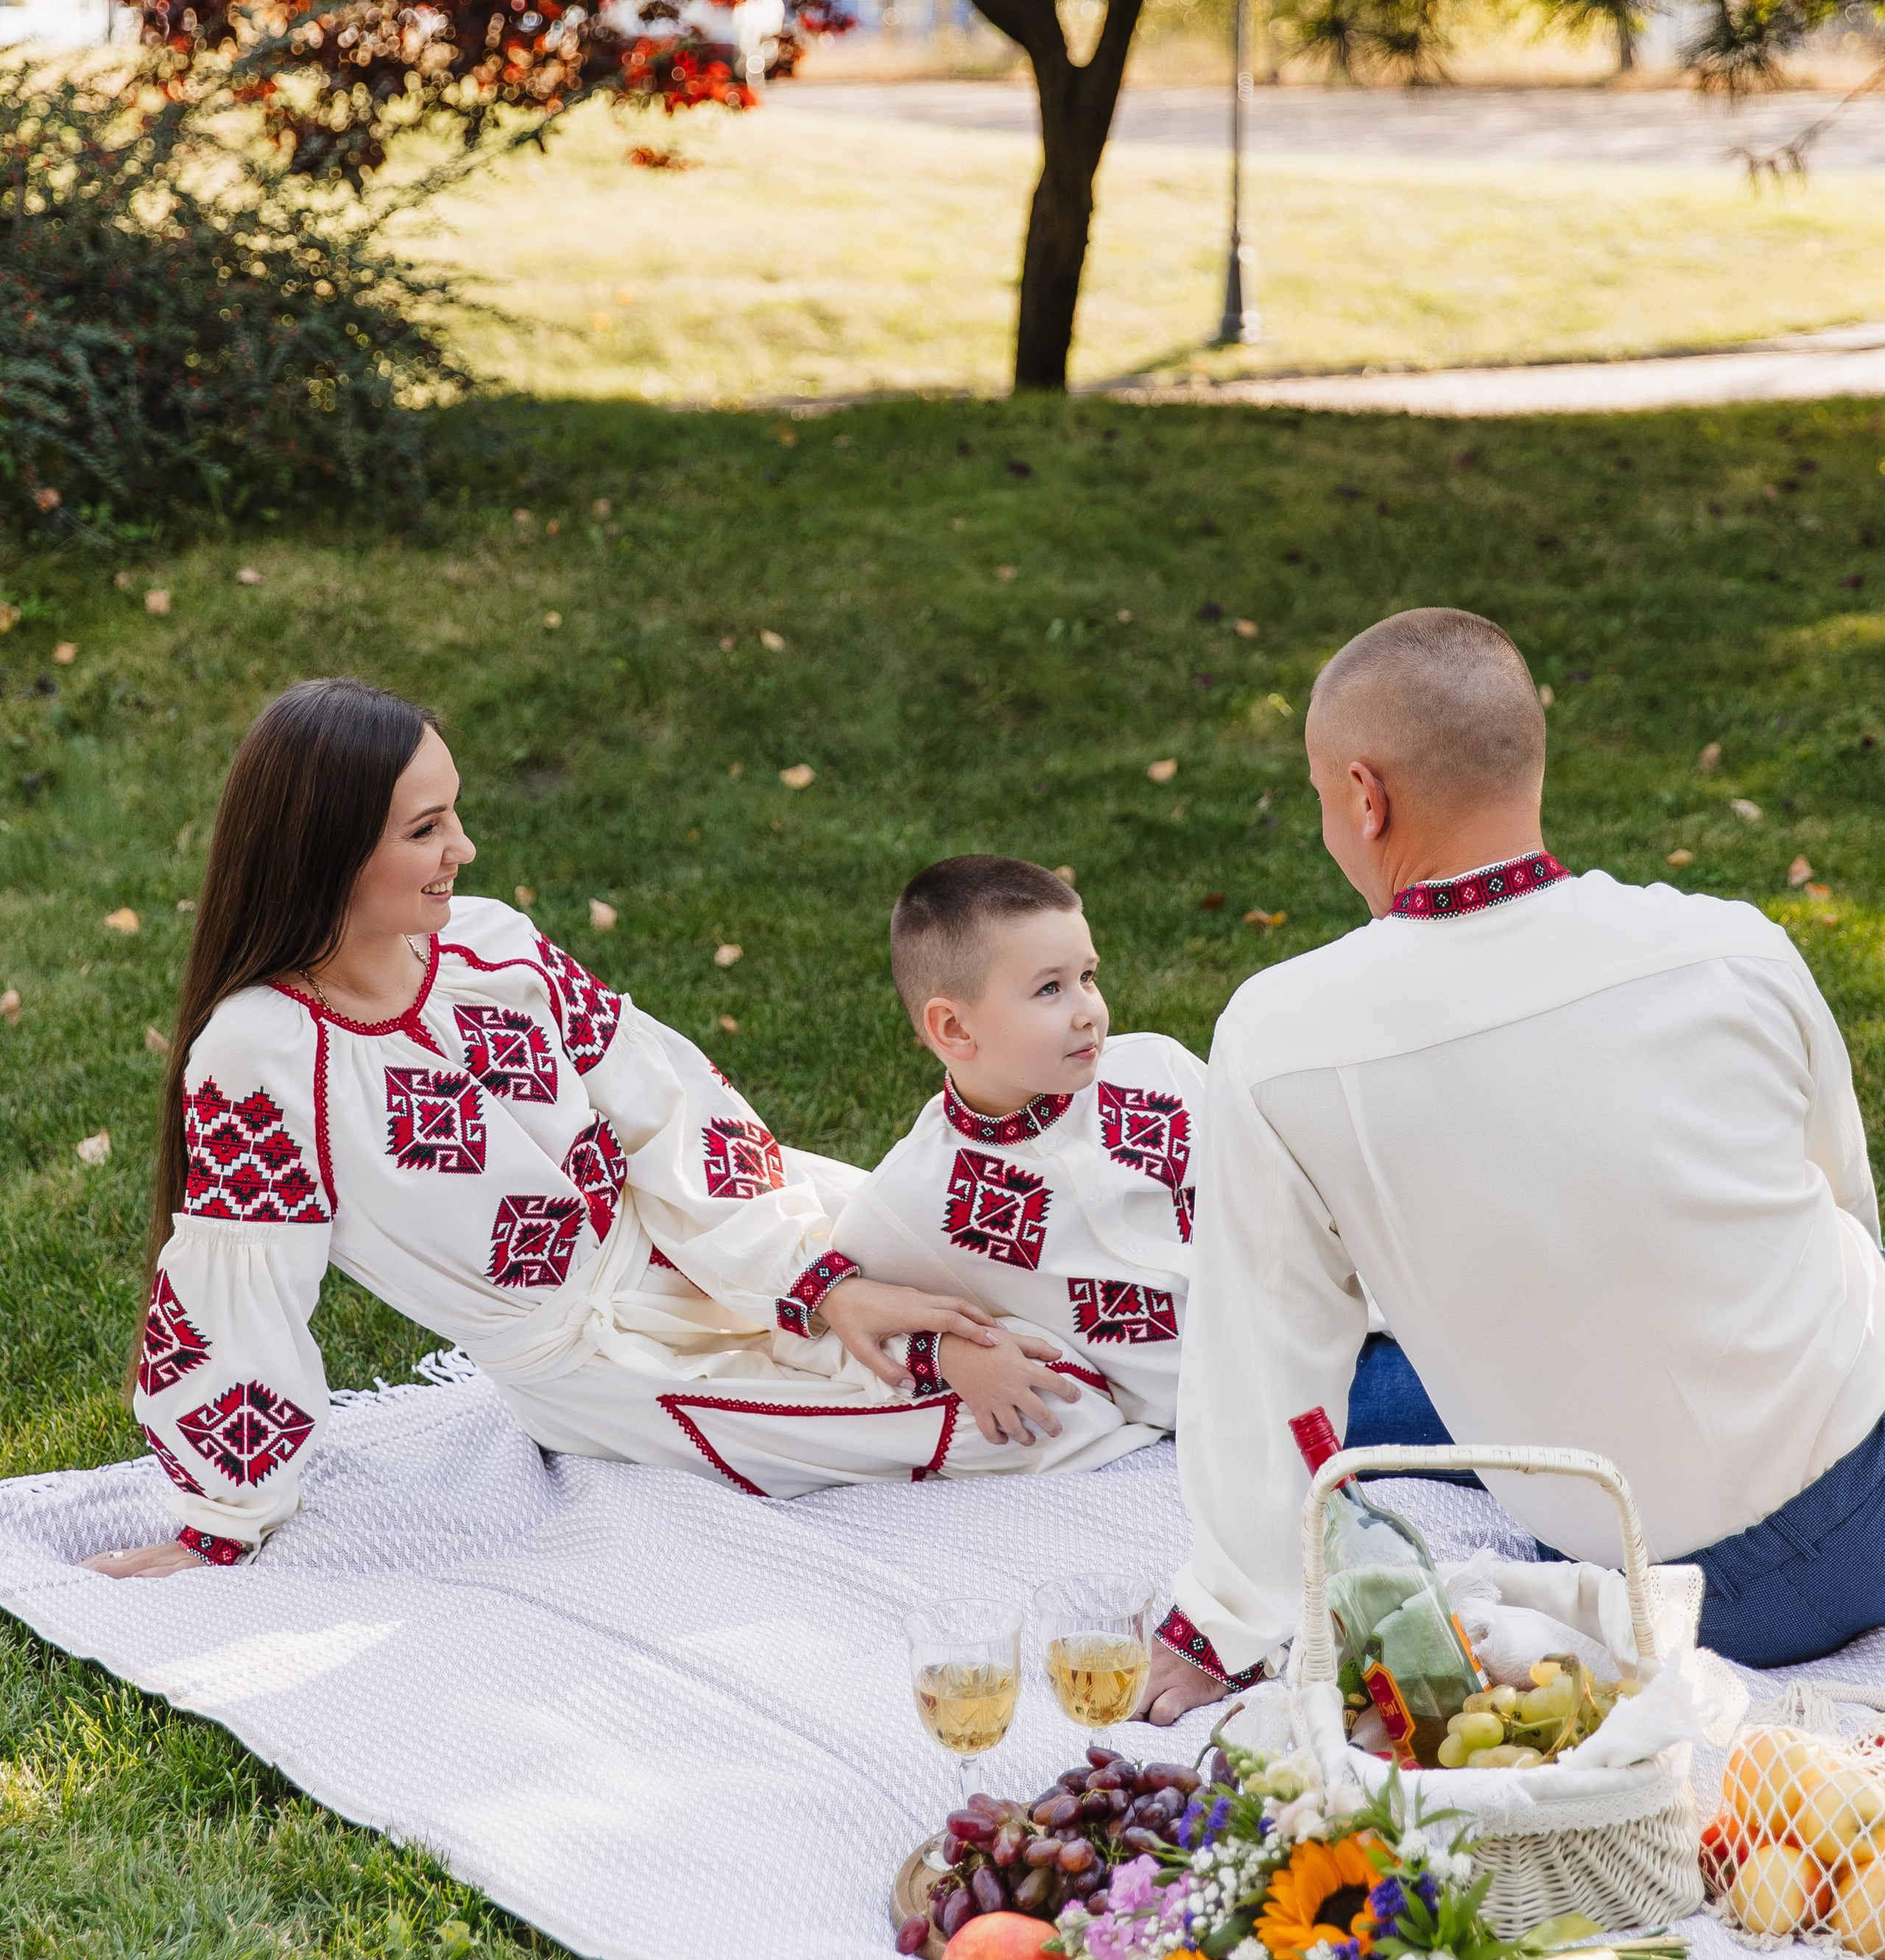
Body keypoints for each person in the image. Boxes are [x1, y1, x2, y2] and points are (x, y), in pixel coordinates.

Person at [88, 683, 1147, 1579]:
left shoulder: (493, 947)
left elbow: (670, 1110)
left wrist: (820, 1281)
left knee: (1028, 1266)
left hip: (708, 1229)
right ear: (326, 853)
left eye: (453, 812)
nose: (462, 846)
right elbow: (243, 1285)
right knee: (1044, 1410)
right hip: (597, 1364)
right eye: (424, 830)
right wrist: (220, 1514)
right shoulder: (262, 1053)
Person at [1138, 604, 1885, 1720]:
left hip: (1653, 1581)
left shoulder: (1280, 1035)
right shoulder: (1736, 946)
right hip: (1869, 1507)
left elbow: (1265, 1355)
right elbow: (1844, 1211)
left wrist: (1221, 1622)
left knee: (1374, 1373)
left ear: (1364, 796)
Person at [828, 856, 1205, 1431]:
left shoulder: (1159, 1068)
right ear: (954, 1029)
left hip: (1337, 1330)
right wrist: (939, 1350)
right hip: (1234, 1410)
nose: (1089, 1012)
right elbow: (825, 1307)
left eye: (1088, 977)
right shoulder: (913, 1198)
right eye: (1050, 989)